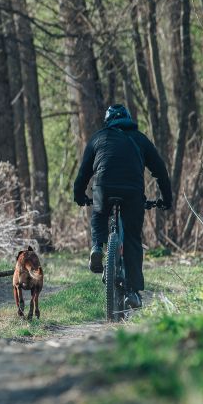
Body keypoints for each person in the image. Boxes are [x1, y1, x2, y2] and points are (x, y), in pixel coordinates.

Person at [72, 104, 173, 308]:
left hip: (104, 187)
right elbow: (160, 171)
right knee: (133, 238)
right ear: (128, 119)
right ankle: (132, 291)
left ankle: (97, 246)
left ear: (107, 121)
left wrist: (79, 196)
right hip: (132, 191)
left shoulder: (98, 138)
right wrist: (166, 199)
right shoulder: (140, 139)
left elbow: (83, 174)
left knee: (99, 213)